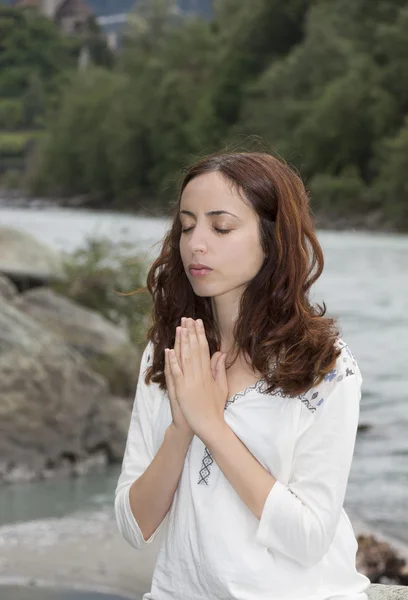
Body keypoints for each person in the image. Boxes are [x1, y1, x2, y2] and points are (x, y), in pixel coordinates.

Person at [114, 151, 371, 600]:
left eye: (221, 227)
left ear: (272, 240)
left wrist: (211, 426)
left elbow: (308, 538)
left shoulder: (325, 365)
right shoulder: (170, 351)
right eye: (187, 225)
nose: (196, 243)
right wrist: (181, 428)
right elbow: (135, 526)